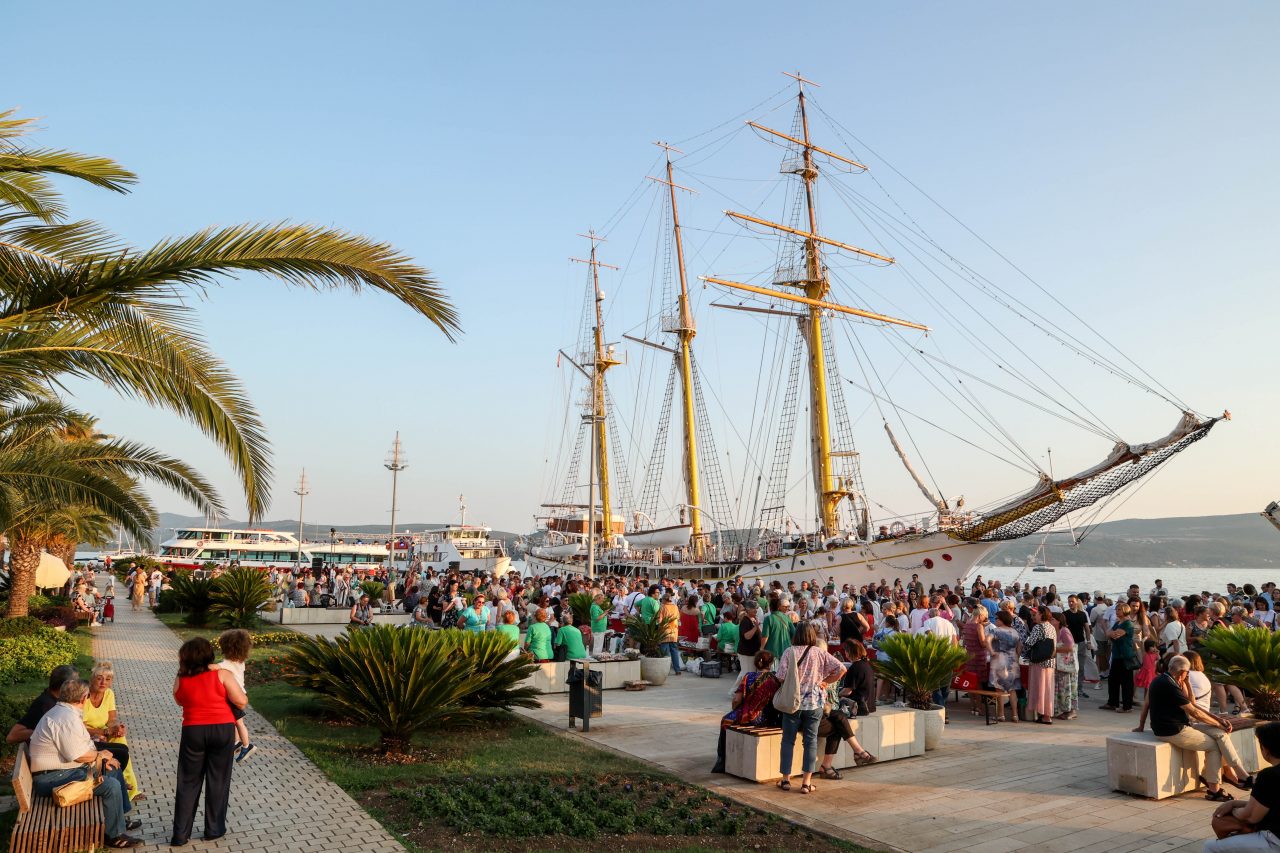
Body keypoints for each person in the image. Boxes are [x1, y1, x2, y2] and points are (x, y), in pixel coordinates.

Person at [27, 678, 142, 848]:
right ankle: (114, 836)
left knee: (112, 768)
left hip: (59, 772)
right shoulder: (65, 718)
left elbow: (79, 747)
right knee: (110, 785)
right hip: (50, 779)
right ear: (83, 698)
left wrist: (104, 758)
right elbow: (78, 755)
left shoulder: (65, 712)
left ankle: (120, 821)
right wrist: (100, 755)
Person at [170, 637, 248, 846]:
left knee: (187, 782)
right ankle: (213, 829)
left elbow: (178, 699)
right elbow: (241, 701)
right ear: (209, 655)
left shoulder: (182, 677)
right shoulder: (222, 674)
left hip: (193, 730)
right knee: (218, 780)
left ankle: (180, 834)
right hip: (221, 729)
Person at [1147, 655, 1252, 802]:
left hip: (1181, 724)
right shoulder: (1168, 684)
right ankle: (1215, 788)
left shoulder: (1168, 679)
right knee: (1214, 746)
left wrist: (1218, 720)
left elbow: (1193, 703)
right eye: (1187, 672)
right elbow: (1194, 712)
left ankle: (1241, 775)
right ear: (1182, 671)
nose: (1188, 674)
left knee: (1221, 734)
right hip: (1172, 730)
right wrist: (1217, 723)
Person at [774, 623, 846, 795]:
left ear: (796, 635)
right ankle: (806, 783)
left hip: (792, 703)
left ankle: (785, 779)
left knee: (788, 741)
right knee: (811, 742)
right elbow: (841, 669)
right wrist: (826, 682)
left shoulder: (789, 652)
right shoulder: (820, 652)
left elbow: (780, 677)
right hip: (814, 703)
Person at [1204, 722, 1280, 851]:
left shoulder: (1269, 776)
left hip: (1275, 841)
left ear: (1265, 750)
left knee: (1211, 847)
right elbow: (1268, 803)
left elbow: (1251, 816)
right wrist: (1236, 803)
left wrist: (1233, 810)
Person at [82, 662, 143, 801]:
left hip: (104, 733)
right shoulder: (84, 696)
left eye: (108, 679)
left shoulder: (109, 694)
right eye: (99, 678)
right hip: (88, 737)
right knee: (119, 749)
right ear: (92, 679)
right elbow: (80, 727)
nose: (103, 682)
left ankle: (131, 789)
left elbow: (112, 718)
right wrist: (102, 732)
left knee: (122, 741)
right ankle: (122, 785)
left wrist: (116, 727)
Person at [710, 651, 779, 773]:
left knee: (725, 721)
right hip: (768, 719)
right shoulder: (776, 679)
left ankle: (721, 760)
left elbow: (737, 699)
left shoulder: (748, 676)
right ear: (771, 663)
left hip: (746, 717)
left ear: (756, 663)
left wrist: (735, 708)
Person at [212, 629, 256, 763]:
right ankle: (236, 742)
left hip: (236, 695)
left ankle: (247, 746)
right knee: (233, 720)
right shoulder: (240, 662)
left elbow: (212, 667)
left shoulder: (226, 664)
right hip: (239, 693)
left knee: (239, 722)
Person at [1102, 601, 1138, 713]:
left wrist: (1110, 633)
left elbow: (1115, 635)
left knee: (1126, 681)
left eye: (1119, 610)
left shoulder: (1127, 623)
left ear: (1125, 611)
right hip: (1117, 655)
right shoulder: (1118, 622)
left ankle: (1127, 706)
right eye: (1116, 609)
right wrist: (1110, 633)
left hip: (1124, 655)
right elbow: (1108, 633)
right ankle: (1113, 702)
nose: (1117, 611)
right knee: (1113, 680)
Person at [1024, 606, 1056, 724]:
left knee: (1039, 687)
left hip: (1039, 661)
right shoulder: (1051, 626)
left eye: (1036, 614)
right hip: (1050, 661)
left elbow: (1029, 643)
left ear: (1041, 614)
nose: (1034, 616)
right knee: (1047, 688)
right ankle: (1047, 714)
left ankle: (1043, 714)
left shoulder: (1038, 627)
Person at [1051, 610, 1079, 720]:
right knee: (1062, 689)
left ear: (1058, 621)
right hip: (1060, 665)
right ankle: (1064, 709)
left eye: (1052, 619)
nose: (1050, 621)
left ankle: (1072, 710)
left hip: (1067, 666)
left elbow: (1070, 647)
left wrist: (1054, 650)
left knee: (1069, 688)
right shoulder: (1055, 631)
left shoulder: (1064, 631)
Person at [761, 596, 793, 662]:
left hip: (771, 652)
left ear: (770, 607)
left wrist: (761, 649)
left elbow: (765, 637)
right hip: (786, 650)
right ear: (779, 607)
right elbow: (794, 633)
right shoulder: (786, 618)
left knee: (773, 671)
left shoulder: (768, 619)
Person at [658, 594, 683, 675]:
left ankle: (666, 670)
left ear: (664, 600)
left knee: (665, 652)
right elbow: (678, 618)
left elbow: (659, 620)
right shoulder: (675, 607)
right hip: (674, 632)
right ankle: (677, 670)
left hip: (665, 632)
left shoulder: (662, 607)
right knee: (674, 651)